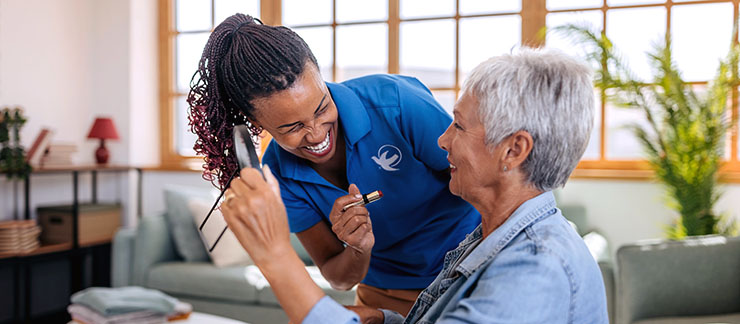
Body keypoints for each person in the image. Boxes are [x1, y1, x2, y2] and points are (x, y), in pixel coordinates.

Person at [220, 47, 610, 324]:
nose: (440, 141)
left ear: (513, 151)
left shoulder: (532, 268)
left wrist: (274, 256)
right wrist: (385, 319)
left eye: (457, 125)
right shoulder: (485, 243)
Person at [188, 13, 479, 315]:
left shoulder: (397, 103)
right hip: (387, 294)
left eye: (322, 107)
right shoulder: (278, 176)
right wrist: (358, 247)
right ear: (257, 124)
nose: (316, 134)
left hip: (470, 273)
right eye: (292, 127)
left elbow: (485, 183)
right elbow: (338, 277)